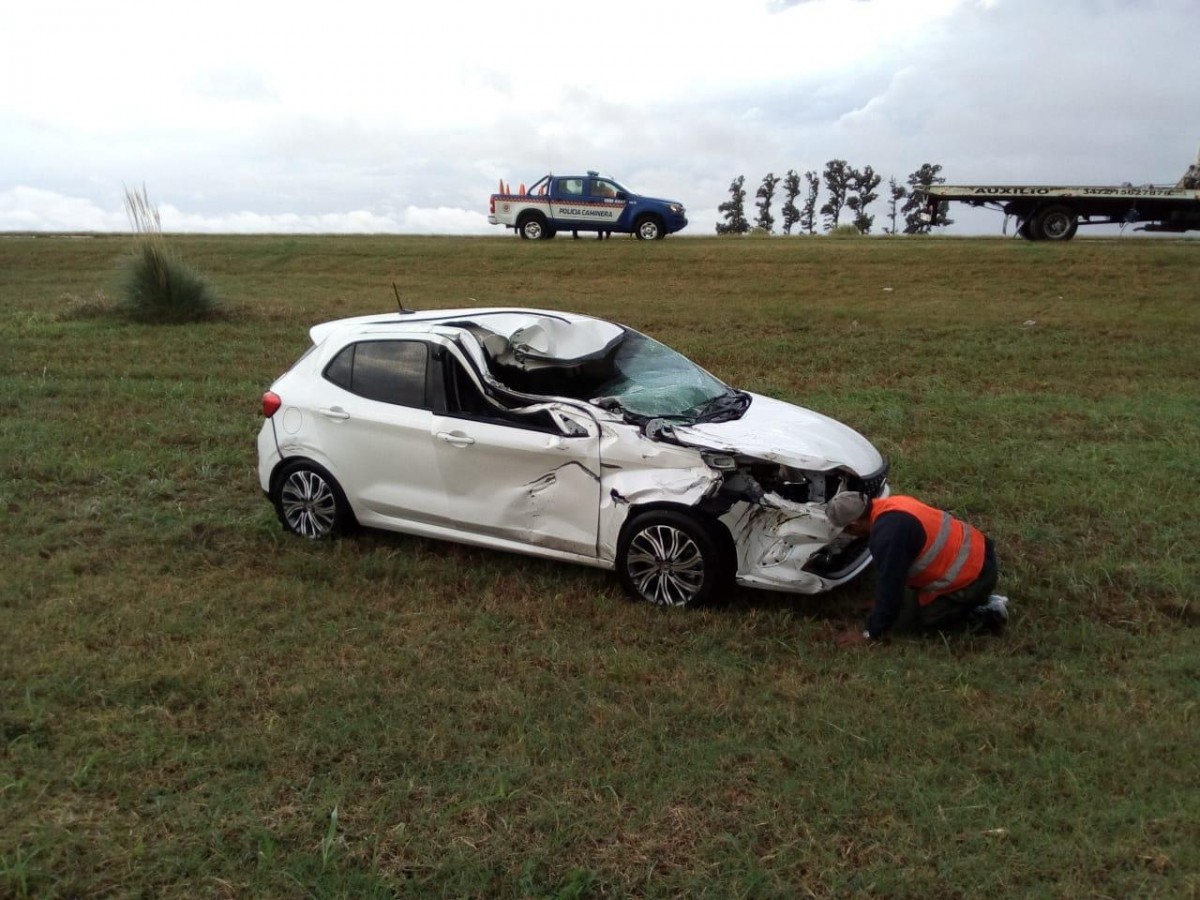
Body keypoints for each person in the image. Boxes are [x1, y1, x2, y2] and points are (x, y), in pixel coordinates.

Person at [827, 491, 1008, 645]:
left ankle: (987, 612)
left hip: (974, 576)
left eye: (847, 531)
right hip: (980, 553)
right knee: (899, 608)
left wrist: (869, 634)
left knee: (904, 624)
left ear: (854, 525)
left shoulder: (888, 536)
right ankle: (974, 598)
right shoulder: (893, 504)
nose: (850, 535)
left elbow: (891, 588)